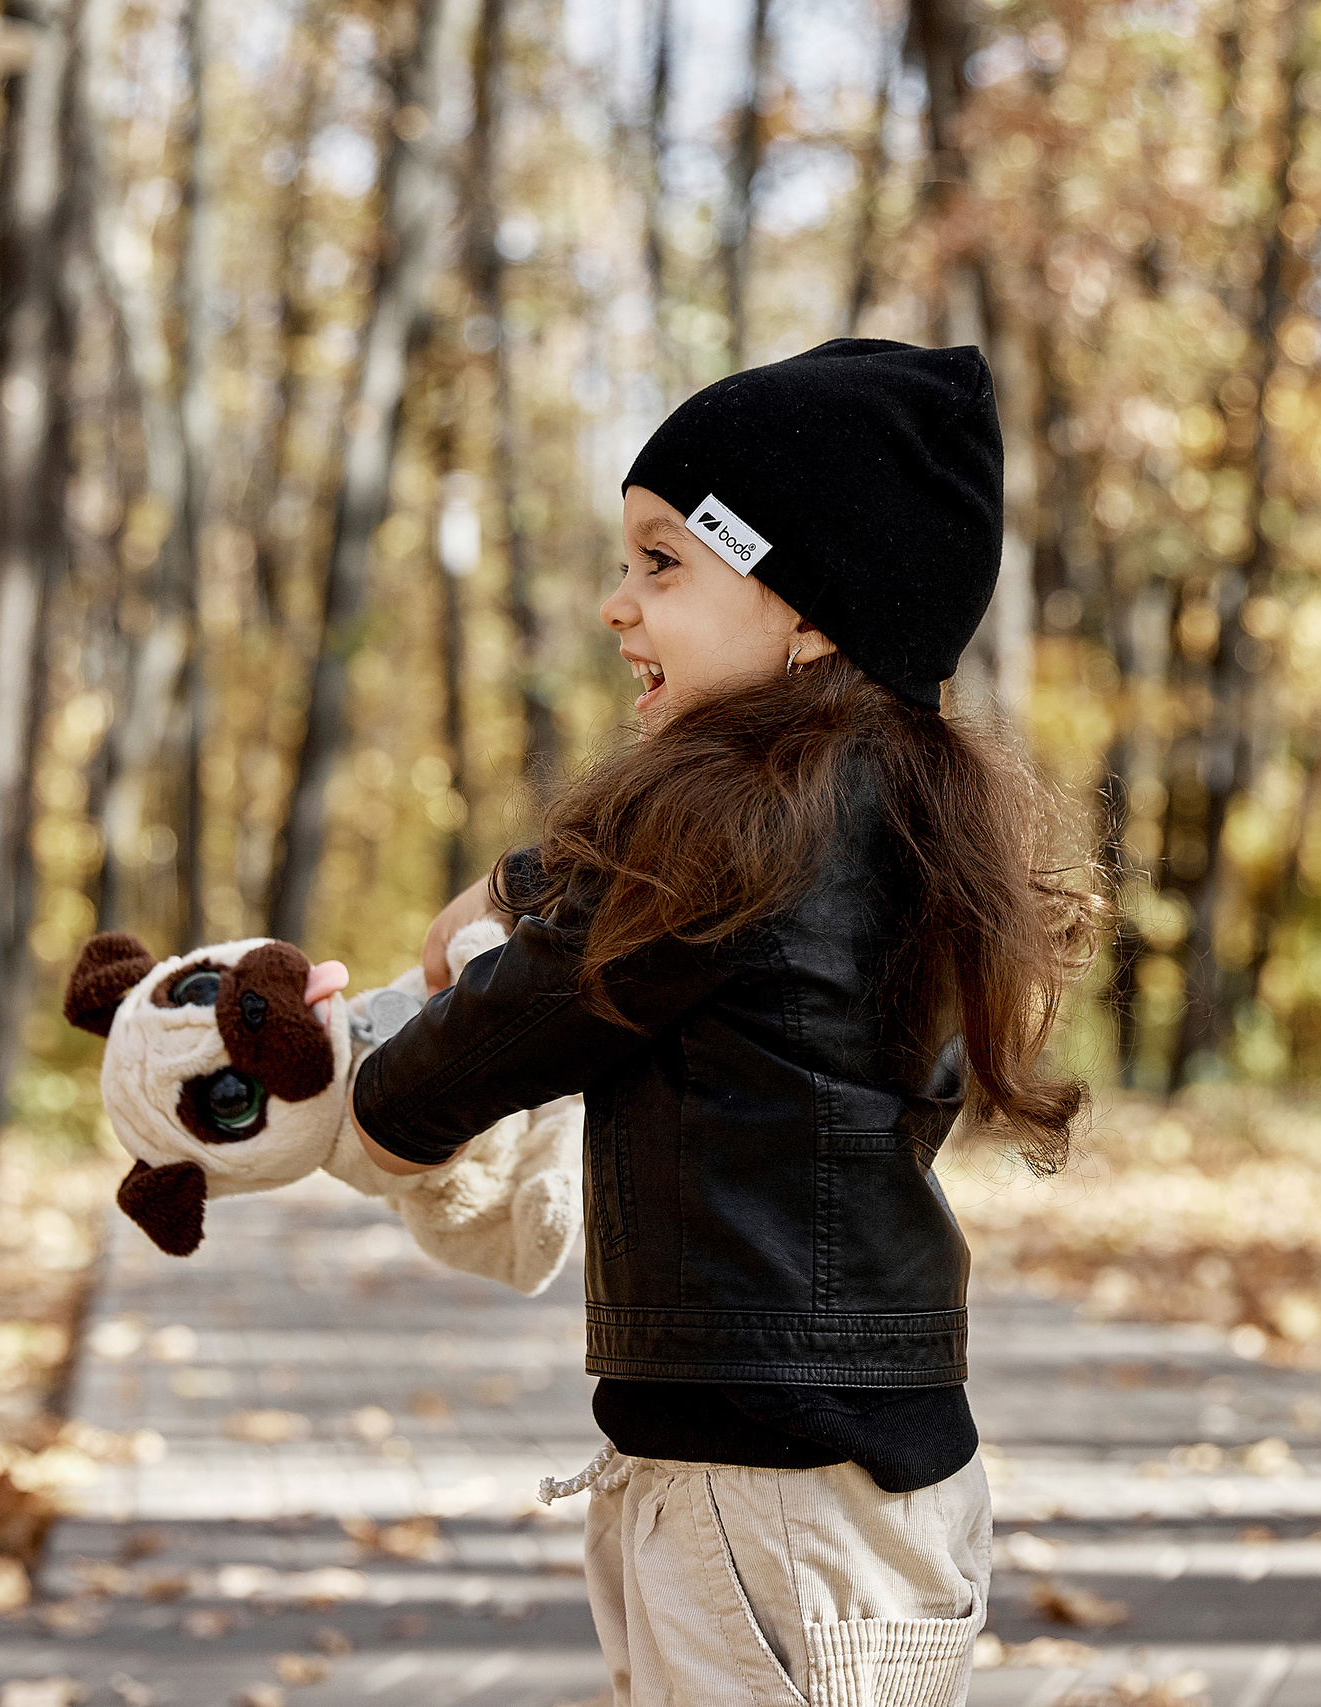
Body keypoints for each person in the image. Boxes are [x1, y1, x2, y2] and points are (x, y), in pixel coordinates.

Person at [347, 338, 1093, 1705]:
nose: (616, 603)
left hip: (760, 1489)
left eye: (664, 564)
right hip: (857, 1464)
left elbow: (481, 1047)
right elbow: (606, 913)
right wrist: (510, 892)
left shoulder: (730, 835)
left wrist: (357, 1087)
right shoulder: (888, 806)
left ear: (809, 612)